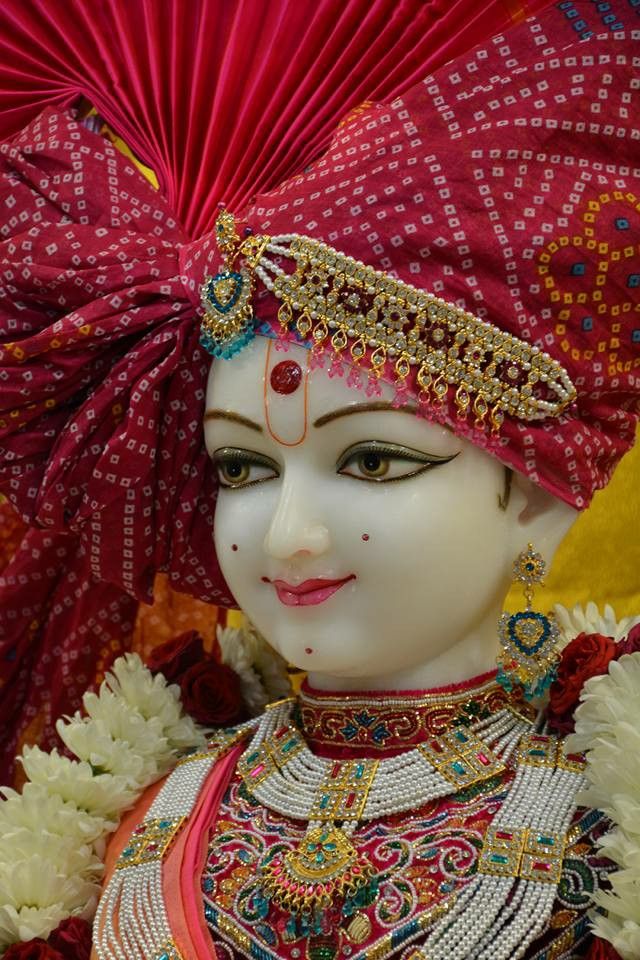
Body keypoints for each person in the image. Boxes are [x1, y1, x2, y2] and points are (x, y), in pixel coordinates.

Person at [1, 1, 639, 958]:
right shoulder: (145, 813)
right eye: (242, 468)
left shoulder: (611, 811)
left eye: (372, 460)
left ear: (537, 500)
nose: (286, 534)